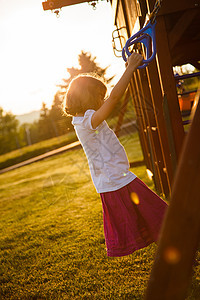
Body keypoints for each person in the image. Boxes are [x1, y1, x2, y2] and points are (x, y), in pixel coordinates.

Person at [63, 52, 168, 257]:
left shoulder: (87, 118)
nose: (103, 100)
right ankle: (178, 246)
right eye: (99, 97)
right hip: (115, 181)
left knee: (154, 216)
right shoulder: (85, 122)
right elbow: (115, 97)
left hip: (117, 178)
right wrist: (130, 68)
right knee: (158, 214)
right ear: (88, 97)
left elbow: (112, 98)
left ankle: (174, 249)